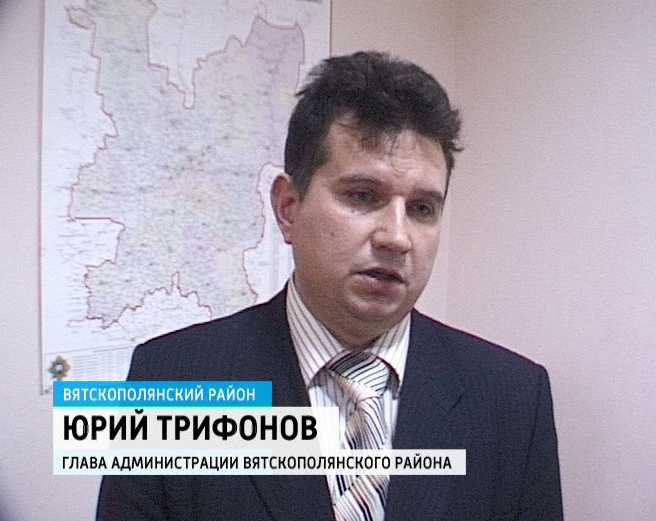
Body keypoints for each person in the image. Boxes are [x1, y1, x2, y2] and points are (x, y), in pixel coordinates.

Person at [97, 51, 563, 521]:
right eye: (363, 196)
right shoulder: (171, 380)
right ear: (288, 207)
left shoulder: (513, 399)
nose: (396, 237)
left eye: (422, 208)